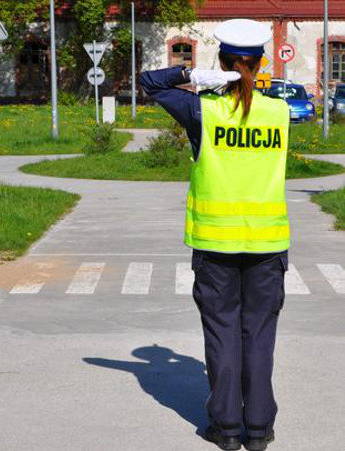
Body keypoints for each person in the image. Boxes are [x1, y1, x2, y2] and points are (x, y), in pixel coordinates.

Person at [139, 19, 290, 451]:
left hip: (214, 247)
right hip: (267, 246)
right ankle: (259, 430)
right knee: (259, 337)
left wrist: (189, 74)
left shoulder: (201, 110)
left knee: (222, 334)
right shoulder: (278, 113)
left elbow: (148, 83)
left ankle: (225, 430)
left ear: (220, 64)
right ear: (260, 64)